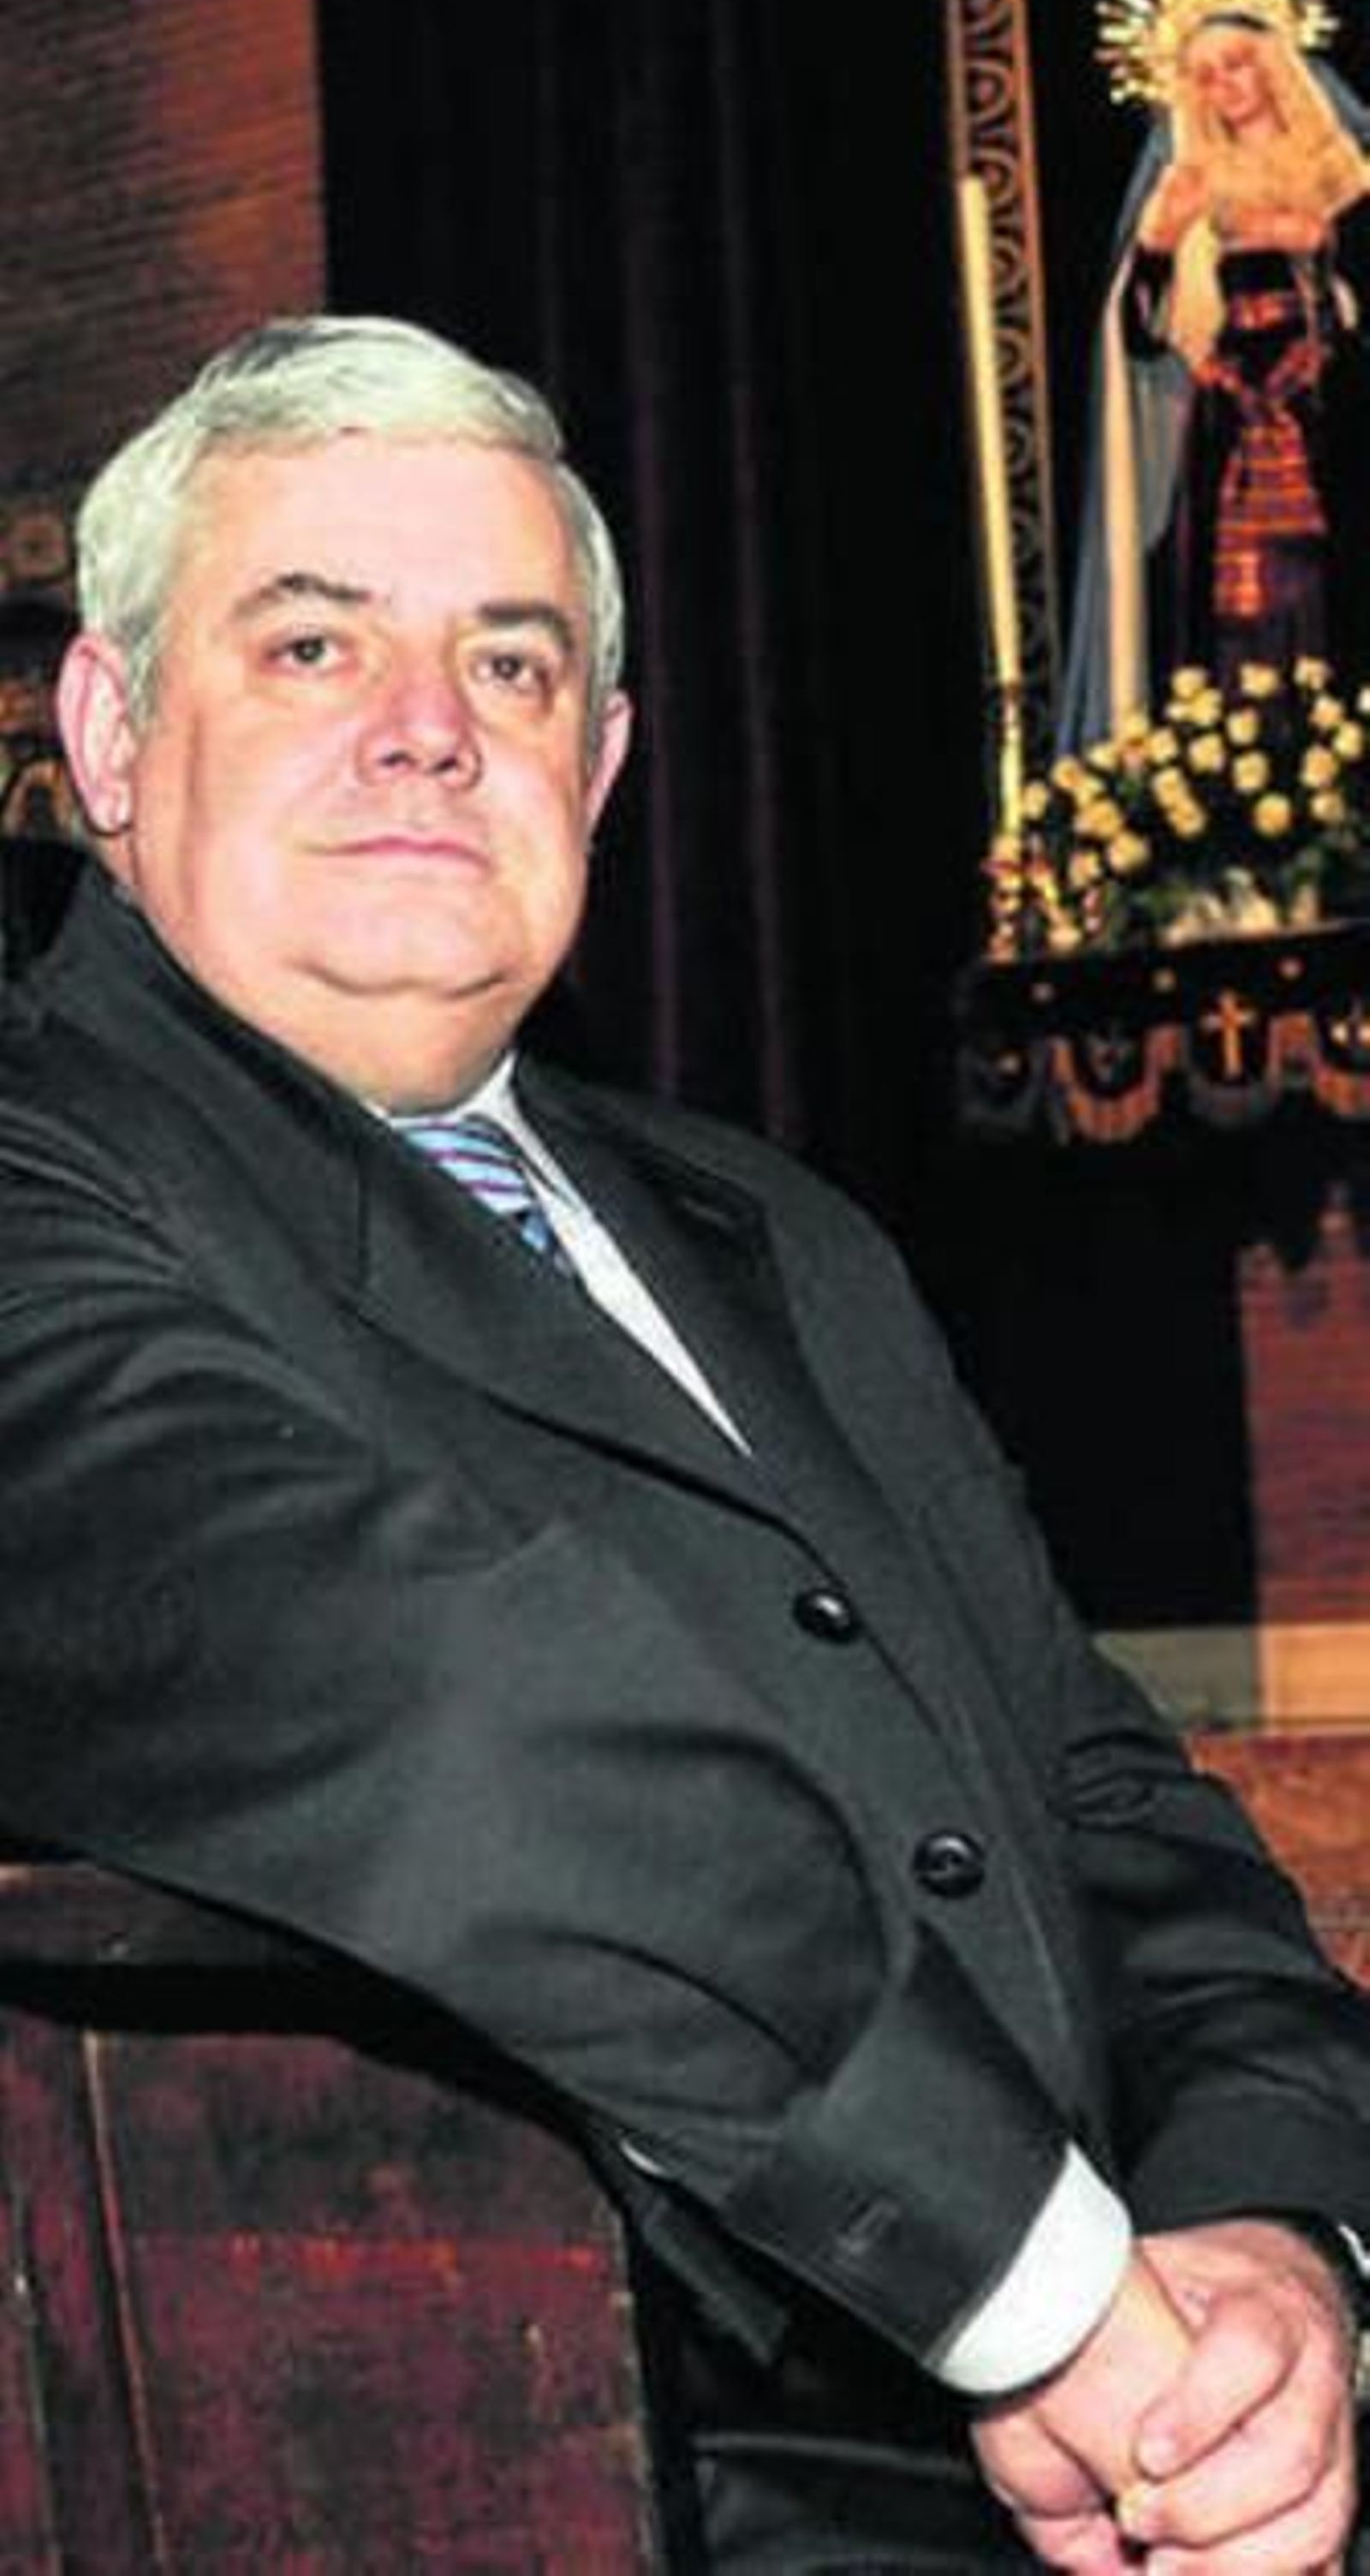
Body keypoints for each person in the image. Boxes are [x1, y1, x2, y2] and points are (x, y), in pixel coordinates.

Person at [0, 313, 1367, 2572]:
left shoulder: (778, 1232)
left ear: (606, 762)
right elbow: (445, 1713)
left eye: (512, 663)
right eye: (315, 642)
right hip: (564, 2483)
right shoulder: (44, 1185)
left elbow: (1105, 1803)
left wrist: (1272, 2250)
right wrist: (1057, 2306)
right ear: (113, 735)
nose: (429, 726)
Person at [1058, 0, 1370, 756]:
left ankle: (1337, 771)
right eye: (1205, 75)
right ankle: (1240, 777)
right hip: (1227, 425)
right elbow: (1139, 336)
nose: (1227, 85)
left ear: (1275, 62)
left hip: (1332, 416)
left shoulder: (1343, 171)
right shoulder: (1187, 181)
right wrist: (1159, 245)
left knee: (1332, 590)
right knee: (1236, 606)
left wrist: (1324, 251)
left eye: (1238, 63)